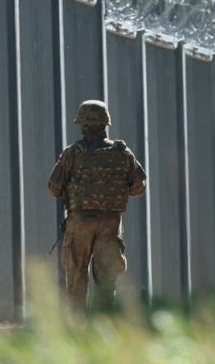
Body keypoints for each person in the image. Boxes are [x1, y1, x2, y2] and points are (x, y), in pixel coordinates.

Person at [47, 99, 146, 311]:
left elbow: (53, 188)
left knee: (76, 277)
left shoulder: (73, 153)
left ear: (82, 125)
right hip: (110, 224)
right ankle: (103, 327)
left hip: (80, 223)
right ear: (105, 124)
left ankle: (76, 326)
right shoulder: (122, 152)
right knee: (106, 281)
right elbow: (139, 188)